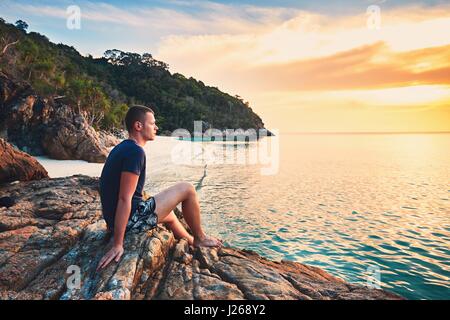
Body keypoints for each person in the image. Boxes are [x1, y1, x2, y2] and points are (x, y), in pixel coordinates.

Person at [97, 105, 222, 270]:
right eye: (152, 123)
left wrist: (111, 225)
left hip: (116, 221)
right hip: (130, 221)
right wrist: (117, 243)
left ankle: (193, 242)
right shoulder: (136, 152)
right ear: (138, 126)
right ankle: (200, 237)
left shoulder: (123, 147)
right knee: (188, 189)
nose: (156, 127)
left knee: (169, 215)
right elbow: (124, 198)